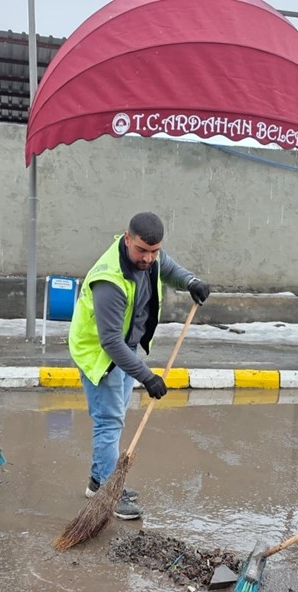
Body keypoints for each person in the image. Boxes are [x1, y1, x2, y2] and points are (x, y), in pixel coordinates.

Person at [69, 211, 211, 520]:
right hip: (100, 353)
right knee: (109, 420)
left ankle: (99, 481)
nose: (148, 258)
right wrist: (147, 377)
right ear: (127, 237)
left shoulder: (150, 256)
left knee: (114, 416)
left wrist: (190, 282)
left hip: (125, 347)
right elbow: (110, 342)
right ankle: (109, 492)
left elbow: (168, 267)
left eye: (154, 251)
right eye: (142, 251)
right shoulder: (109, 281)